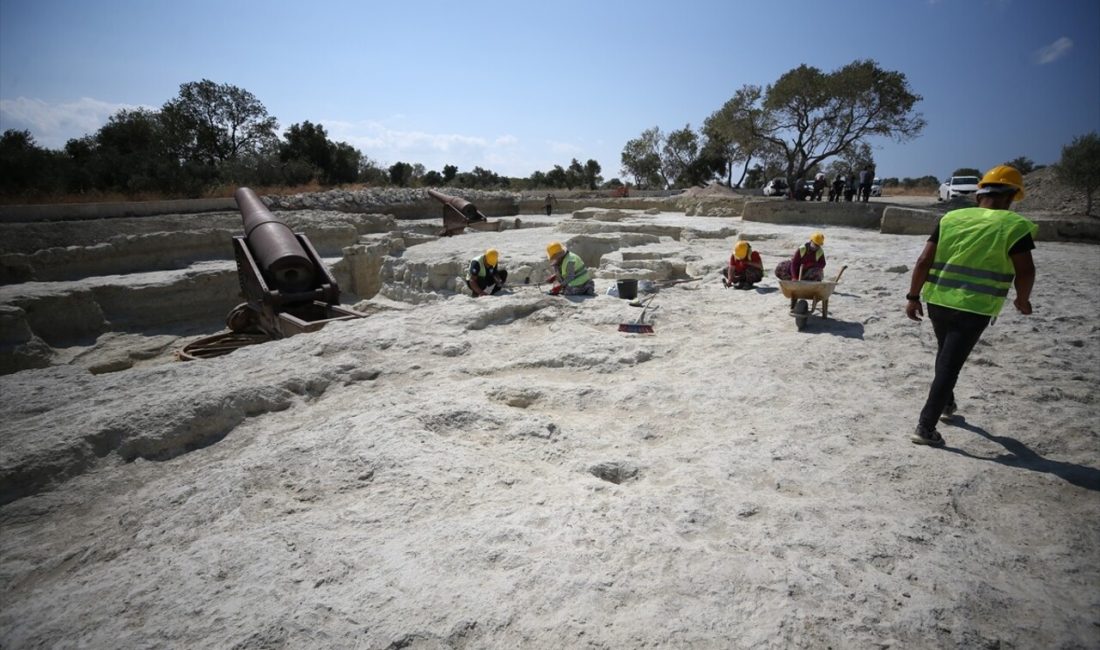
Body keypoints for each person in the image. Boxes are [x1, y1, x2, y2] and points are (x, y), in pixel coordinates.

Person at [904, 165, 1037, 447]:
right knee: (950, 364)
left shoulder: (951, 218)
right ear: (1011, 197)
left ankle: (948, 403)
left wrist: (913, 296)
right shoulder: (1014, 225)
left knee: (946, 354)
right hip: (975, 307)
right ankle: (925, 427)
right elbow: (1025, 270)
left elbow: (923, 261)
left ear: (979, 195)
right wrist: (1022, 299)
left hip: (938, 300)